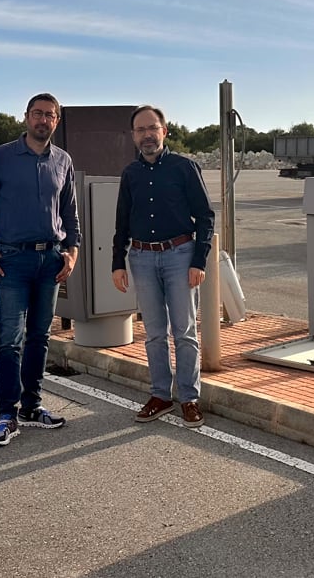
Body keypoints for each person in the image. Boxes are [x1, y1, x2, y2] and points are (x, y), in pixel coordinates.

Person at [0, 92, 80, 447]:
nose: (42, 120)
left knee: (40, 338)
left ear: (56, 122)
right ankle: (6, 415)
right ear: (26, 117)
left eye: (49, 115)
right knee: (9, 340)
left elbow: (71, 214)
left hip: (50, 262)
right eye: (37, 114)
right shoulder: (1, 157)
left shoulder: (63, 161)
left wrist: (72, 253)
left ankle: (32, 406)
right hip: (11, 262)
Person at [111, 105, 215, 428]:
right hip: (141, 258)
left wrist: (199, 260)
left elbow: (206, 217)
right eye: (140, 130)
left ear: (164, 131)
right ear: (133, 136)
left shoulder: (184, 167)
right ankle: (160, 395)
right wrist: (118, 262)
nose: (146, 135)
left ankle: (189, 398)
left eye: (151, 128)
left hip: (179, 256)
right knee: (154, 333)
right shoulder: (130, 174)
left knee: (184, 331)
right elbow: (122, 221)